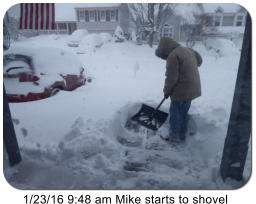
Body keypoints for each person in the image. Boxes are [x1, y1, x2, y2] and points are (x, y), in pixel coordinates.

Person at [155, 37, 202, 142]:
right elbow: (199, 61)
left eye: (164, 56)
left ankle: (174, 136)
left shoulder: (173, 56)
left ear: (165, 49)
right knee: (183, 112)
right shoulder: (187, 50)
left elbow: (171, 77)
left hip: (182, 89)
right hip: (193, 88)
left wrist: (167, 91)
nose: (166, 58)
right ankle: (182, 133)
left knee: (175, 113)